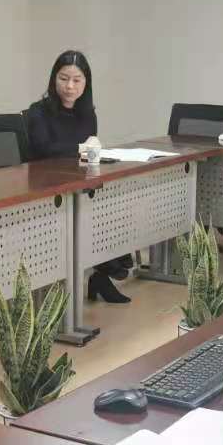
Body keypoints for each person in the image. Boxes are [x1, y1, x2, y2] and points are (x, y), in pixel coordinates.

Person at [23, 49, 132, 303]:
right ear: (54, 79)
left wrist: (90, 152)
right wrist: (81, 148)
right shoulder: (37, 112)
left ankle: (102, 274)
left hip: (78, 183)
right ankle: (105, 268)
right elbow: (44, 150)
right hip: (46, 188)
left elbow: (86, 153)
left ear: (86, 83)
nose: (69, 86)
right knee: (93, 214)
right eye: (63, 79)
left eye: (76, 80)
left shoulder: (87, 113)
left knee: (116, 203)